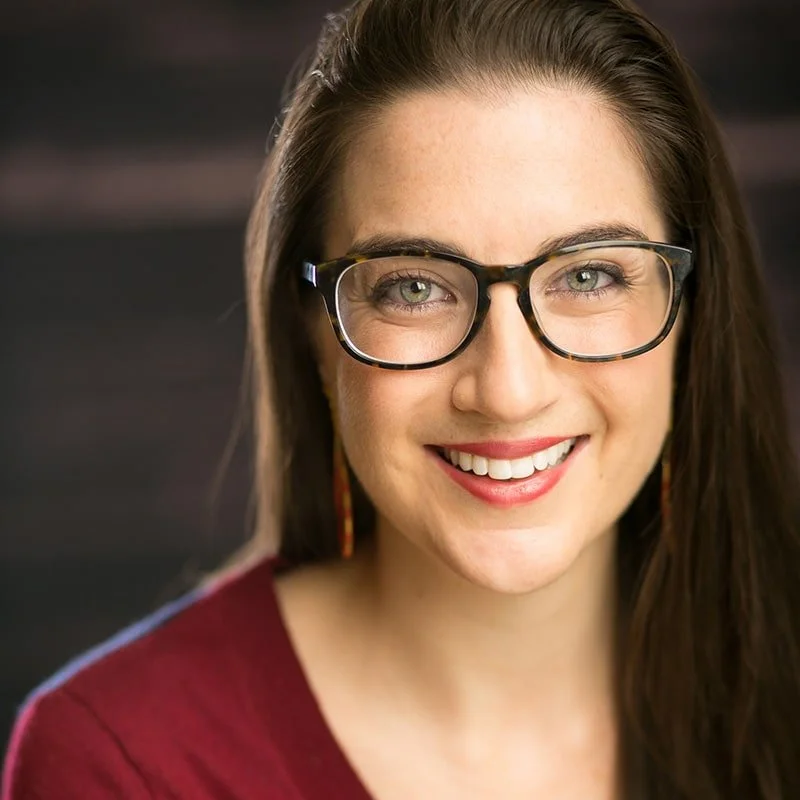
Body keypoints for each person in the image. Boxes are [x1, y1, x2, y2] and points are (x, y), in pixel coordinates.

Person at [4, 0, 800, 797]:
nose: (508, 391)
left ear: (693, 313)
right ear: (314, 332)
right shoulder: (118, 762)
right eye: (415, 287)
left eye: (588, 276)